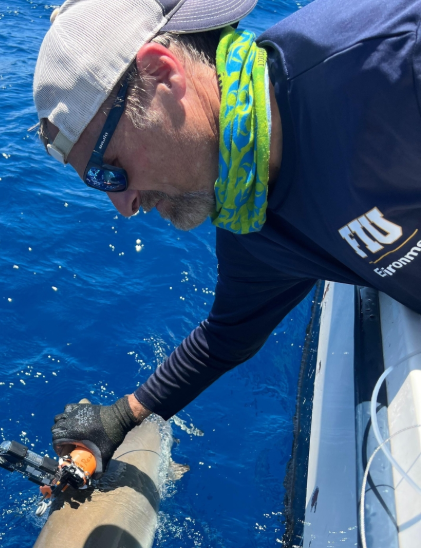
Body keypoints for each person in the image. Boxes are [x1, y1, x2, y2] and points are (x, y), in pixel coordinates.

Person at [33, 0, 421, 471]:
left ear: (162, 76)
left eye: (110, 170)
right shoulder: (250, 223)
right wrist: (120, 417)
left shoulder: (390, 59)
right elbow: (227, 337)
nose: (124, 206)